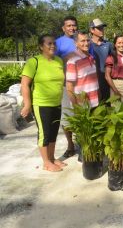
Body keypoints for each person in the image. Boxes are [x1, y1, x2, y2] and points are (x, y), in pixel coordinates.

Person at [21, 34, 65, 172]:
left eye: (54, 44)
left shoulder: (58, 61)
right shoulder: (34, 62)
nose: (52, 46)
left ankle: (51, 158)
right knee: (44, 133)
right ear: (41, 46)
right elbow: (25, 85)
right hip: (41, 104)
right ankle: (46, 163)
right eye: (49, 43)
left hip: (57, 103)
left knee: (53, 132)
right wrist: (27, 104)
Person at [55, 15, 78, 159]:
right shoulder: (58, 43)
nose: (71, 28)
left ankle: (82, 142)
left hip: (83, 85)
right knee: (67, 116)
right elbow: (53, 62)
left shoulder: (82, 39)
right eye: (68, 26)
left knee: (82, 114)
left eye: (73, 25)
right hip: (66, 85)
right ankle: (70, 145)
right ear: (63, 28)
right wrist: (68, 56)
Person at [66, 31, 100, 109]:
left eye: (88, 40)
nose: (86, 43)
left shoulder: (91, 57)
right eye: (82, 41)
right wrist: (75, 106)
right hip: (82, 106)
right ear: (75, 43)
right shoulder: (73, 61)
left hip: (95, 103)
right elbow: (69, 86)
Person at [89, 18, 113, 102]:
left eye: (102, 28)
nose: (102, 30)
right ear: (92, 30)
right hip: (91, 81)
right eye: (99, 28)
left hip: (105, 80)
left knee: (106, 104)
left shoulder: (108, 44)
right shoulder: (87, 45)